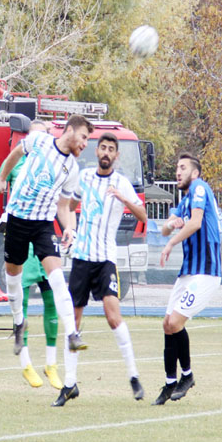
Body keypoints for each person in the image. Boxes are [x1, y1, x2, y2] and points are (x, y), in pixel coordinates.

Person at [0, 115, 93, 359]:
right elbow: (15, 154)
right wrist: (1, 177)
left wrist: (69, 229)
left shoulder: (72, 169)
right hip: (17, 220)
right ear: (70, 130)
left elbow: (64, 207)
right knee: (13, 277)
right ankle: (18, 322)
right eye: (84, 137)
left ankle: (73, 334)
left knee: (56, 276)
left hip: (43, 224)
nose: (85, 143)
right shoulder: (40, 141)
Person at [54, 132, 147, 406]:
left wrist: (123, 199)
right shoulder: (83, 177)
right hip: (82, 257)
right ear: (97, 152)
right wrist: (69, 228)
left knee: (113, 316)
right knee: (74, 320)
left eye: (111, 149)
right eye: (103, 148)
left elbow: (143, 215)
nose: (106, 152)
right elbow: (69, 206)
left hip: (106, 258)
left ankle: (133, 376)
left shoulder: (122, 183)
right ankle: (69, 383)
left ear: (117, 156)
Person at [0, 120, 62, 390]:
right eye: (37, 134)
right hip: (19, 233)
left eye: (45, 134)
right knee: (22, 299)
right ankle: (25, 362)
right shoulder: (15, 163)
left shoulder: (54, 163)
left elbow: (62, 203)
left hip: (42, 234)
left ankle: (51, 364)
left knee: (52, 298)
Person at [153, 153, 222, 405]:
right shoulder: (185, 201)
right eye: (176, 168)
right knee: (167, 324)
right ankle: (171, 383)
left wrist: (171, 242)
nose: (177, 172)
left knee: (175, 321)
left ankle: (187, 376)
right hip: (188, 272)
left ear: (195, 173)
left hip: (206, 271)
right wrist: (171, 224)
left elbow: (195, 223)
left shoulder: (200, 187)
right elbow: (164, 228)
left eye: (183, 168)